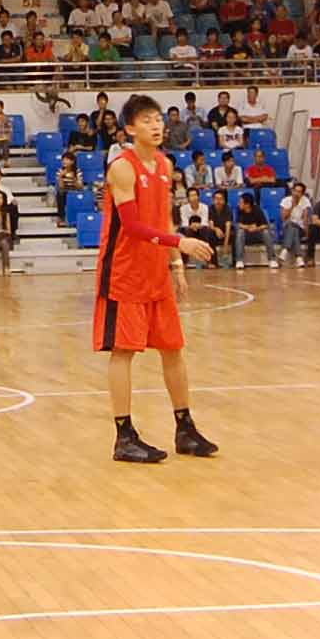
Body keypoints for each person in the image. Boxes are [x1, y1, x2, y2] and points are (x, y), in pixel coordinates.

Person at [97, 94, 220, 465]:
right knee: (124, 351)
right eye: (146, 120)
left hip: (156, 270)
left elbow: (163, 218)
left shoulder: (165, 164)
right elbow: (133, 226)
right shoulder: (122, 167)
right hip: (124, 271)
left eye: (158, 118)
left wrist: (176, 264)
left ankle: (185, 428)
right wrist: (180, 242)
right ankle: (123, 436)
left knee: (173, 347)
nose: (156, 125)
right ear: (130, 128)